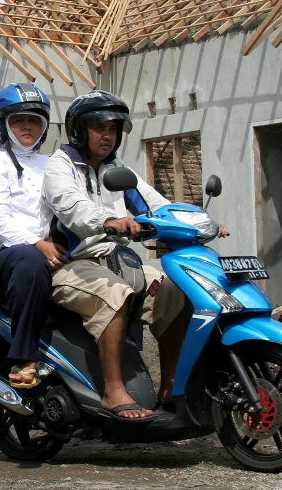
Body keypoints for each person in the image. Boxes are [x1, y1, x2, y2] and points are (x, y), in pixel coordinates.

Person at [42, 90, 227, 422]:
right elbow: (71, 207)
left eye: (113, 128)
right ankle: (114, 391)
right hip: (73, 265)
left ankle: (170, 386)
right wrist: (108, 220)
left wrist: (200, 221)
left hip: (117, 260)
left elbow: (156, 204)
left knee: (174, 290)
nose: (108, 135)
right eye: (99, 127)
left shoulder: (117, 169)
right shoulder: (61, 166)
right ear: (80, 130)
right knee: (115, 293)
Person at [0, 82, 67, 389]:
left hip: (43, 255)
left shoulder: (53, 164)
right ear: (3, 125)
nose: (27, 126)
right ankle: (25, 357)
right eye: (18, 120)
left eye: (35, 120)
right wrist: (39, 244)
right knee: (28, 258)